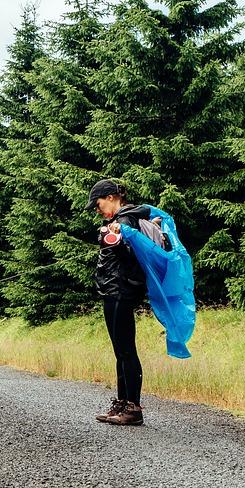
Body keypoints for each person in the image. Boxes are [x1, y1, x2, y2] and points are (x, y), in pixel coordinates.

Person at [86, 178, 168, 427]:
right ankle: (122, 404)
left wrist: (115, 240)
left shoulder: (125, 220)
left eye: (98, 204)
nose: (97, 210)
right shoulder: (118, 221)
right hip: (113, 290)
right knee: (119, 350)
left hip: (121, 290)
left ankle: (133, 407)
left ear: (111, 197)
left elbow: (134, 257)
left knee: (125, 349)